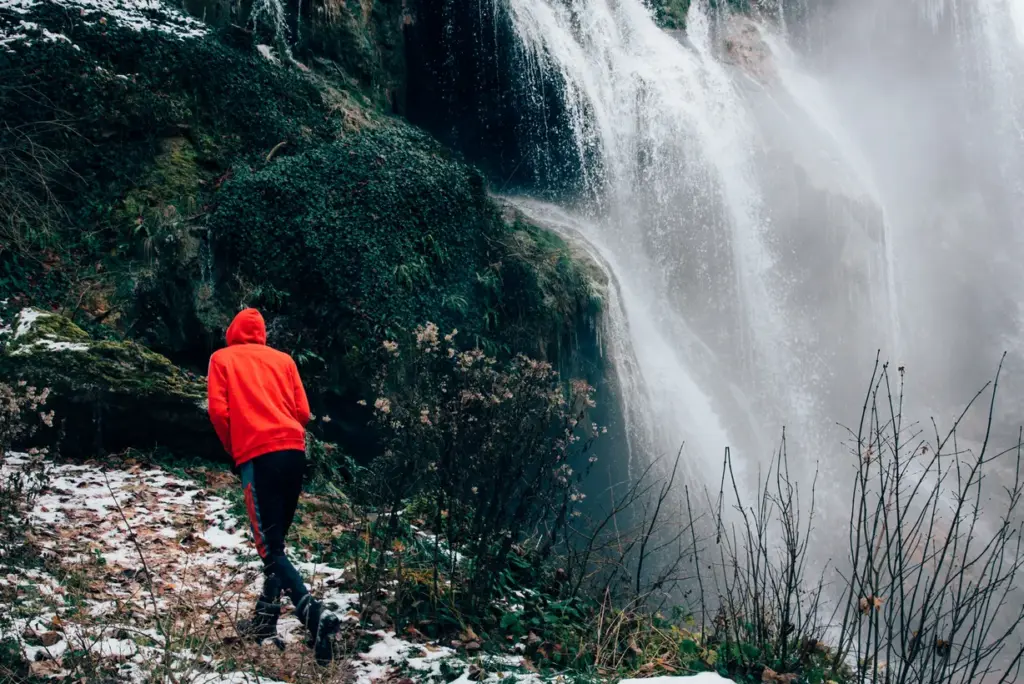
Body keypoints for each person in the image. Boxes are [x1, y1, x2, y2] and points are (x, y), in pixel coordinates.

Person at [207, 308, 339, 665]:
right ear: (263, 333)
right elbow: (303, 413)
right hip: (294, 452)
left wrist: (235, 449)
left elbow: (219, 412)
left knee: (269, 548)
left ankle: (312, 613)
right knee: (276, 542)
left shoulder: (222, 359)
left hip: (258, 455)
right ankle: (265, 621)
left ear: (233, 331)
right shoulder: (284, 361)